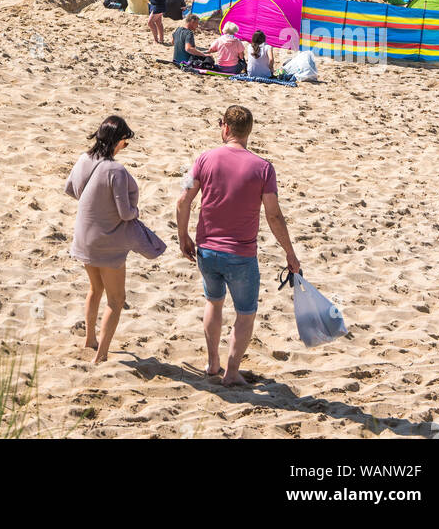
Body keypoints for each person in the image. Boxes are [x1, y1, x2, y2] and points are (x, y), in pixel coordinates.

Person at [176, 105, 300, 386]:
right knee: (245, 313)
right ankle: (231, 372)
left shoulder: (204, 159)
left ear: (226, 128)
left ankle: (212, 363)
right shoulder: (263, 168)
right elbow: (273, 215)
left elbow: (183, 201)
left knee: (213, 303)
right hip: (241, 254)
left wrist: (183, 236)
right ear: (248, 132)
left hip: (207, 250)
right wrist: (290, 253)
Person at [65, 116, 166, 363]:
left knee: (94, 289)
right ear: (118, 141)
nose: (124, 147)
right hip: (108, 240)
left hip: (84, 235)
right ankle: (101, 355)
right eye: (125, 142)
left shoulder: (83, 159)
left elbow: (72, 190)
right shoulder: (116, 170)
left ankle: (90, 339)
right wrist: (136, 212)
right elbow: (125, 213)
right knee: (116, 299)